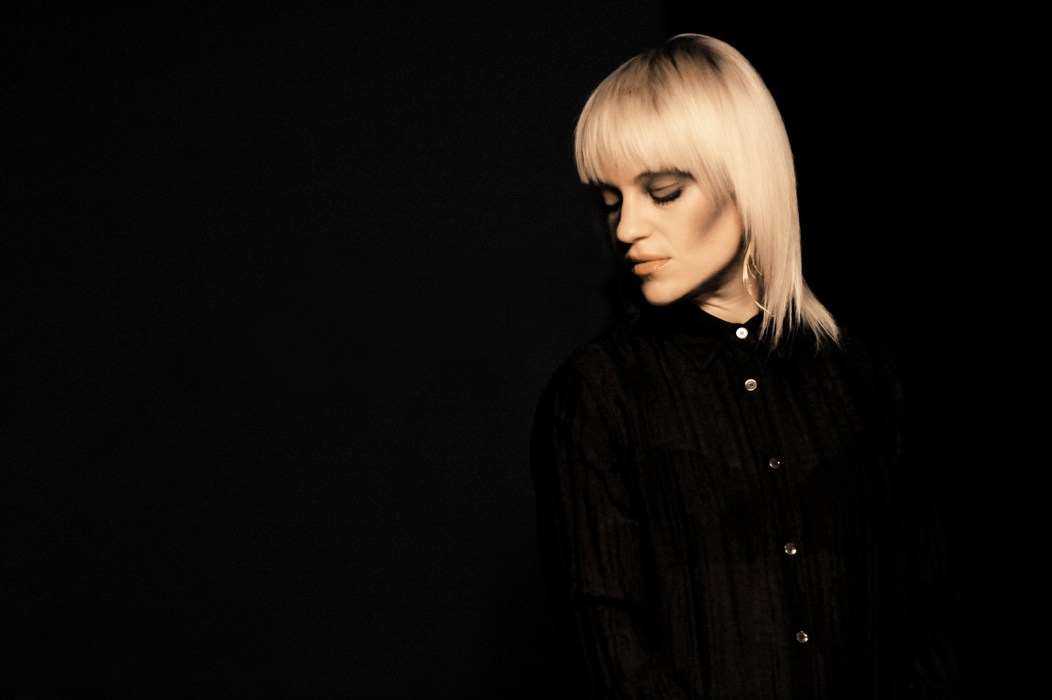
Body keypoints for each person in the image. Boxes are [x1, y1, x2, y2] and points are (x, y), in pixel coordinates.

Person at [529, 34, 961, 699]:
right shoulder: (597, 395)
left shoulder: (877, 378)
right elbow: (609, 646)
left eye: (663, 192)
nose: (626, 229)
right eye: (610, 202)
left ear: (747, 179)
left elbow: (937, 621)